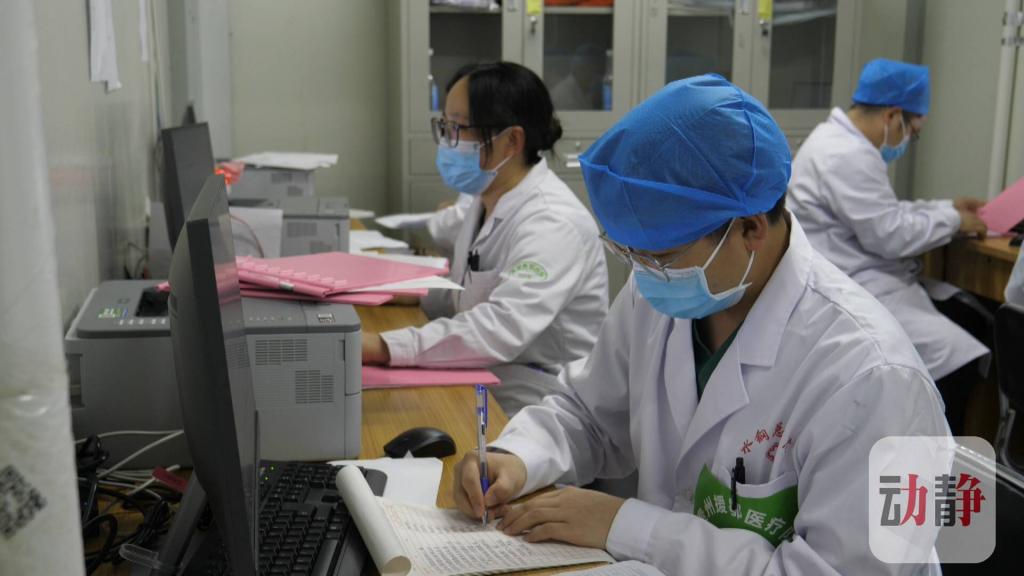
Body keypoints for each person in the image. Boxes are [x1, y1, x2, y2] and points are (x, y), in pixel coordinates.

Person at [451, 75, 949, 574]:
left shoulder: (873, 378)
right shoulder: (665, 287)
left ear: (751, 228)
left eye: (661, 255)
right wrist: (517, 455)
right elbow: (589, 413)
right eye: (630, 252)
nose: (643, 271)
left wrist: (625, 525)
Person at [362, 62, 608, 415]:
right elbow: (467, 293)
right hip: (491, 374)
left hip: (544, 399)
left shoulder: (552, 222)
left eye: (458, 127)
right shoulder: (487, 199)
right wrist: (408, 291)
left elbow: (500, 328)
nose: (447, 141)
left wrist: (382, 346)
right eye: (444, 126)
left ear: (512, 141)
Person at [788, 58, 989, 434]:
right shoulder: (846, 154)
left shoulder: (836, 141)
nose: (908, 140)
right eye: (913, 131)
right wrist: (954, 221)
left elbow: (883, 212)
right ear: (894, 116)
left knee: (969, 317)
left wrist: (946, 209)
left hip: (860, 275)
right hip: (856, 287)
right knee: (957, 355)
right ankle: (941, 447)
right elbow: (890, 234)